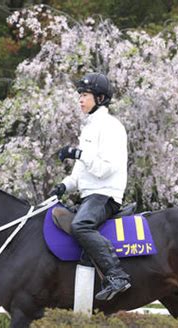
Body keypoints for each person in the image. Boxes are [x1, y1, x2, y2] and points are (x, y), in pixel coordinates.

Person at [49, 73, 131, 301]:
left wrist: (78, 153)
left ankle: (117, 275)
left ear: (101, 98)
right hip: (90, 196)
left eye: (84, 95)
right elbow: (80, 173)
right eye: (80, 96)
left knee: (81, 226)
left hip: (105, 195)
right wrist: (63, 186)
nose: (80, 100)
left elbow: (104, 169)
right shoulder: (89, 128)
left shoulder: (112, 126)